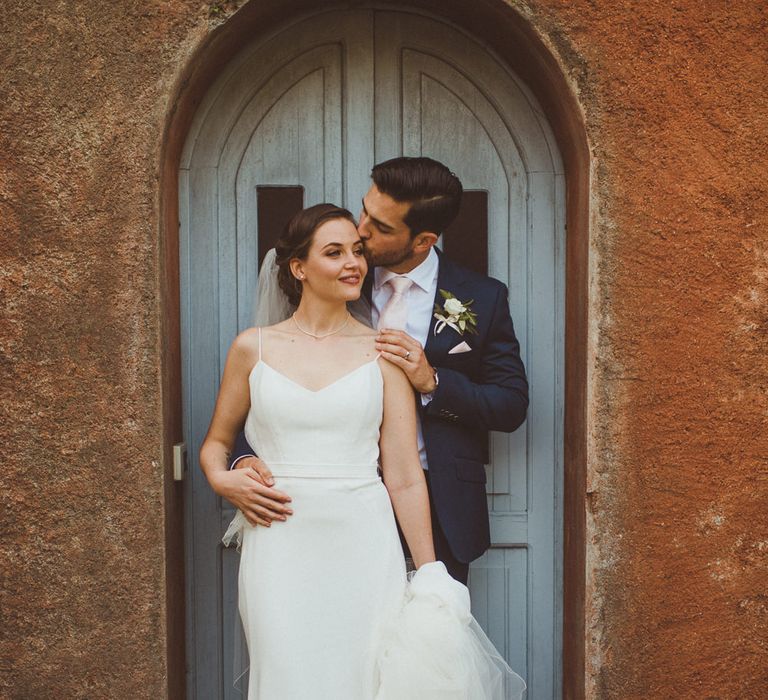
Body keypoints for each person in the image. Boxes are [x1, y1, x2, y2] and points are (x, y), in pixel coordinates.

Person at [200, 203, 525, 699]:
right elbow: (217, 444)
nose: (354, 262)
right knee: (286, 672)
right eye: (334, 253)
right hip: (278, 542)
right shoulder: (253, 348)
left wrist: (430, 570)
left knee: (362, 676)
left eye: (357, 250)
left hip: (364, 542)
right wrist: (223, 479)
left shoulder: (383, 352)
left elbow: (403, 475)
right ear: (298, 268)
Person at [229, 157, 529, 584]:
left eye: (380, 227)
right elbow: (276, 382)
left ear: (423, 239)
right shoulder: (335, 274)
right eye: (364, 210)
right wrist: (242, 458)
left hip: (440, 505)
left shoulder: (482, 298)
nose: (361, 230)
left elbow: (511, 404)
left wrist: (434, 383)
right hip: (329, 505)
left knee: (423, 643)